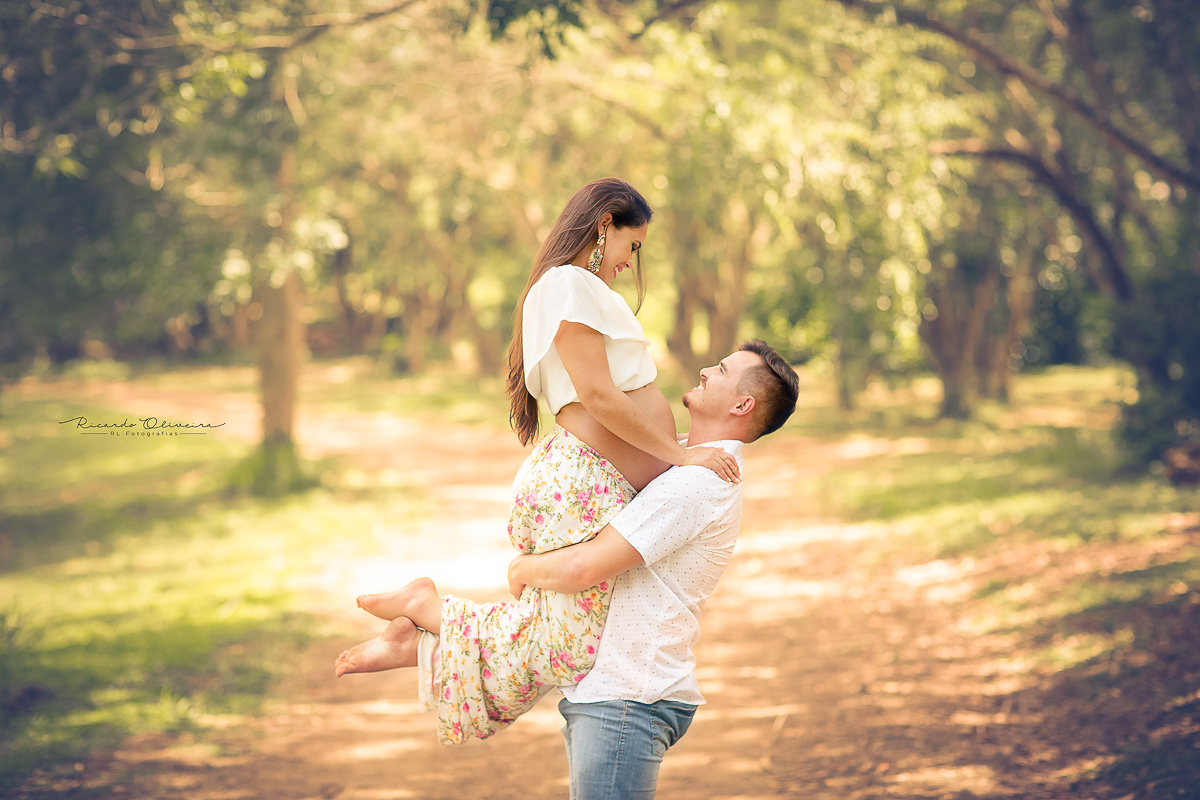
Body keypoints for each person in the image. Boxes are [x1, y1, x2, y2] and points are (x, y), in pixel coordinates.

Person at [334, 178, 738, 744]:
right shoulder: (568, 284)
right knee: (571, 645)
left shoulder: (578, 290)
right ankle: (431, 617)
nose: (631, 261)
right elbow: (598, 395)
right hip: (586, 479)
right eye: (633, 245)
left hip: (594, 481)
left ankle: (425, 631)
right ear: (605, 225)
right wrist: (679, 454)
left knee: (561, 633)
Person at [508, 339, 799, 799]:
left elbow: (586, 566)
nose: (706, 371)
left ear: (743, 404)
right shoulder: (682, 457)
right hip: (619, 694)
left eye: (721, 370)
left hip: (628, 699)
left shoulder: (698, 482)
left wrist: (523, 567)